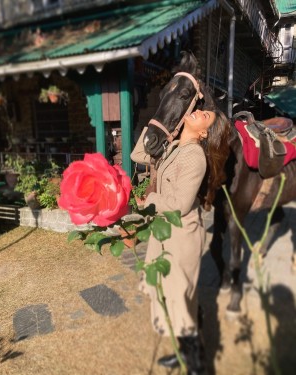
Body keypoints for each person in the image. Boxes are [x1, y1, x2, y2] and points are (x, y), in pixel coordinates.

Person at [131, 107, 230, 375]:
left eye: (205, 115)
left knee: (179, 301)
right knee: (175, 298)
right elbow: (138, 155)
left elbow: (180, 204)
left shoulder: (195, 157)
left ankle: (197, 367)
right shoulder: (173, 146)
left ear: (204, 132)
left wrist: (148, 200)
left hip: (180, 236)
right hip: (166, 232)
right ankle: (184, 354)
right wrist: (159, 121)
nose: (198, 111)